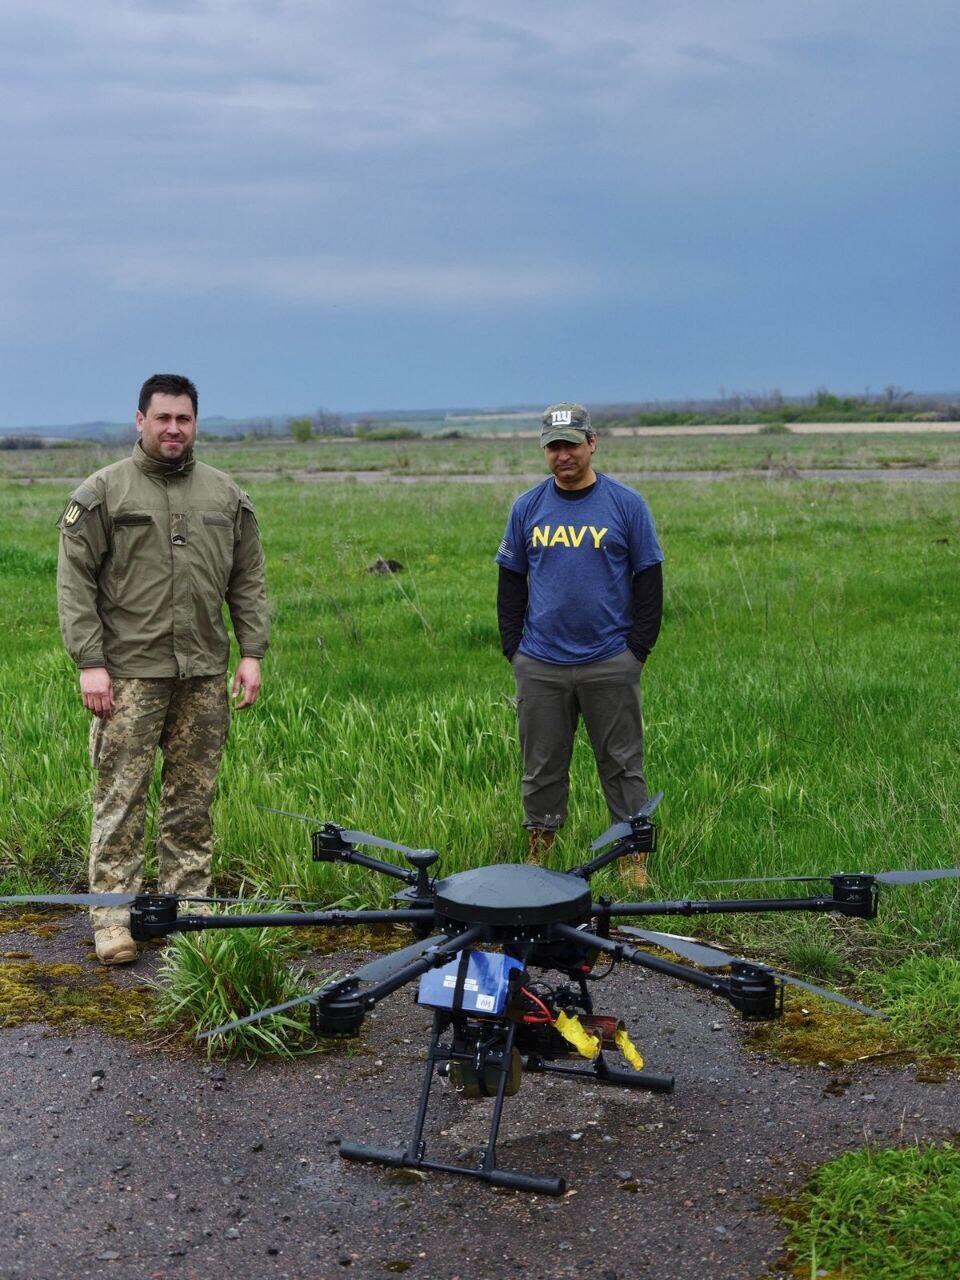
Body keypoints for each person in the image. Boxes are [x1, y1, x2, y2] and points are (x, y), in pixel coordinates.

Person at [56, 373, 269, 964]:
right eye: (162, 418)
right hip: (127, 673)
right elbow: (74, 586)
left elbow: (247, 581)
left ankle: (187, 908)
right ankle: (111, 918)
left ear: (195, 423)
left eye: (184, 418)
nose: (173, 428)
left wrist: (252, 653)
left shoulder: (225, 496)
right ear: (140, 420)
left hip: (203, 670)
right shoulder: (103, 494)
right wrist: (90, 663)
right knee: (120, 797)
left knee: (192, 798)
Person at [496, 402, 663, 879]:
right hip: (541, 663)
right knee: (542, 767)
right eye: (553, 447)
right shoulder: (527, 507)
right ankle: (540, 856)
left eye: (571, 444)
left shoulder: (626, 505)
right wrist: (517, 650)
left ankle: (632, 860)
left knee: (623, 765)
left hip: (610, 660)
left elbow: (649, 579)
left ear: (592, 443)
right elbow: (510, 582)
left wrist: (636, 651)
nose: (562, 455)